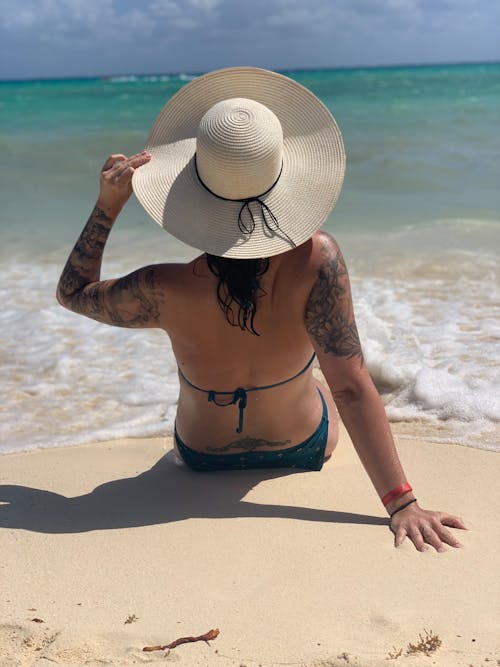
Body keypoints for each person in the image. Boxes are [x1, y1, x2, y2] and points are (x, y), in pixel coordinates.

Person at [56, 66, 466, 552]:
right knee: (327, 380)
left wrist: (108, 205)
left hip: (201, 456)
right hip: (303, 449)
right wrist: (402, 504)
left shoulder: (160, 286)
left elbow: (72, 291)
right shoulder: (319, 260)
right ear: (283, 177)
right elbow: (353, 387)